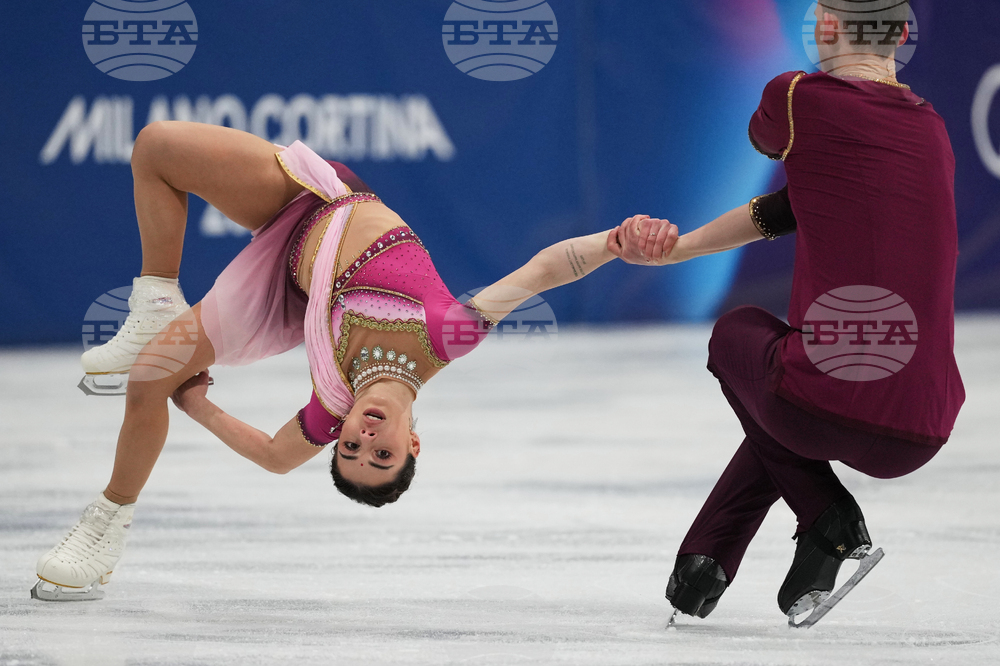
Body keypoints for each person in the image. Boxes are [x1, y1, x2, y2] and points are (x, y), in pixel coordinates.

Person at [33, 120, 655, 601]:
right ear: (414, 443)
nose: (364, 440)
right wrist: (612, 244)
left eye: (351, 451)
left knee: (148, 377)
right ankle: (155, 298)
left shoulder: (332, 402)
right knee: (158, 146)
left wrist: (195, 401)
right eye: (383, 454)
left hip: (278, 285)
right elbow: (544, 271)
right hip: (318, 201)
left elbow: (277, 458)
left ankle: (106, 523)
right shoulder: (446, 337)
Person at [611, 0, 965, 623]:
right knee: (779, 407)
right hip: (923, 428)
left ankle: (828, 516)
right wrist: (684, 249)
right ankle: (704, 563)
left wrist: (671, 254)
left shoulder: (797, 95)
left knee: (737, 336)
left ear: (824, 26)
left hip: (825, 405)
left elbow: (761, 139)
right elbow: (794, 206)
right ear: (904, 33)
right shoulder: (931, 126)